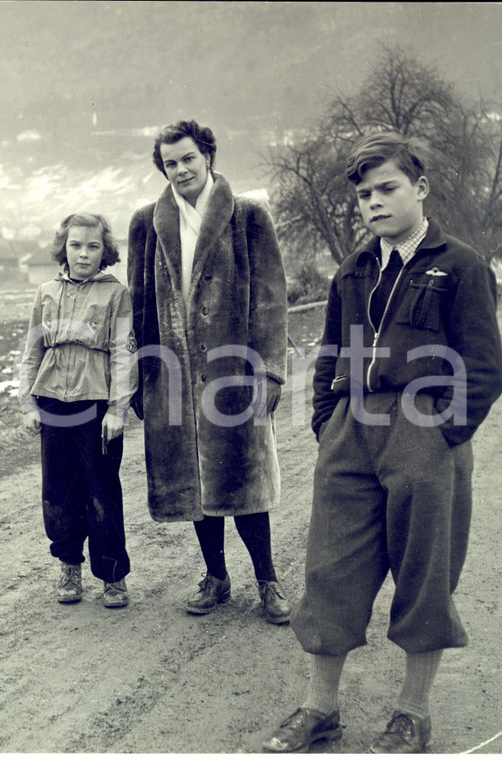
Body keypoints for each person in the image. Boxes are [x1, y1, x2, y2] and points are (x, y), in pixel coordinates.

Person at [262, 132, 502, 752]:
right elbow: (332, 351)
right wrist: (326, 419)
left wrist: (445, 432)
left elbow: (484, 363)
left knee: (426, 574)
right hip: (351, 432)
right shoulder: (356, 267)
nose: (374, 202)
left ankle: (412, 713)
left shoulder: (463, 265)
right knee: (331, 568)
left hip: (424, 432)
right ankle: (321, 709)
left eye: (387, 188)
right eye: (365, 194)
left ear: (420, 189)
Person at [127, 119, 291, 624]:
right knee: (196, 487)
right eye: (170, 163)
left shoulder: (247, 216)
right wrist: (142, 377)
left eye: (188, 159)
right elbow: (140, 308)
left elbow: (270, 300)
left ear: (208, 157)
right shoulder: (147, 224)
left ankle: (268, 581)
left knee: (245, 478)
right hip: (174, 376)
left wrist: (270, 372)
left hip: (233, 373)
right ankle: (216, 577)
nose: (179, 170)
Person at [19, 213, 138, 608]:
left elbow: (124, 353)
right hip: (53, 402)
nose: (83, 254)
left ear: (104, 251)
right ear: (63, 247)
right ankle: (69, 565)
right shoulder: (45, 292)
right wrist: (27, 402)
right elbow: (32, 351)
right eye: (75, 245)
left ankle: (112, 576)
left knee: (101, 488)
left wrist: (117, 409)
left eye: (92, 246)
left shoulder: (116, 294)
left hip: (97, 404)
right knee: (58, 488)